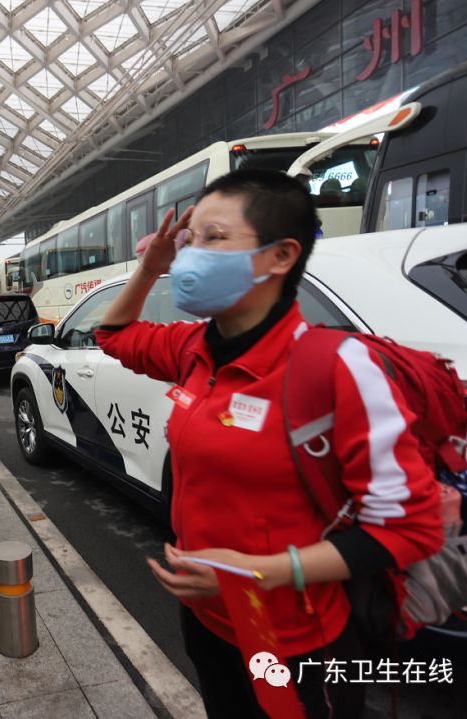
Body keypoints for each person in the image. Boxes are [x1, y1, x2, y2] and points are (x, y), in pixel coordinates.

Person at [95, 169, 442, 719]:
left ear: (281, 256)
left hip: (294, 638)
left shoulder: (336, 367)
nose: (192, 254)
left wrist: (256, 573)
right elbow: (113, 335)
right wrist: (151, 267)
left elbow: (410, 529)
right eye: (191, 240)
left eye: (214, 238)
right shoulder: (193, 348)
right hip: (208, 621)